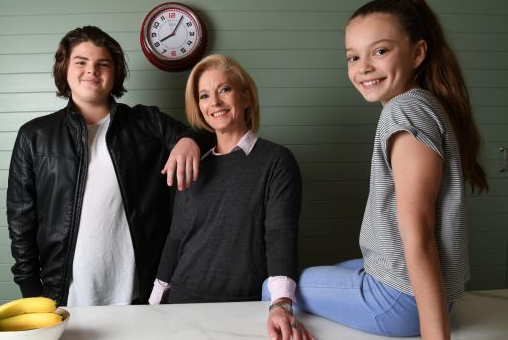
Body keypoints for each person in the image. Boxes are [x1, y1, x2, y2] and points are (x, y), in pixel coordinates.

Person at [293, 0, 489, 339]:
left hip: (401, 302)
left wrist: (434, 334)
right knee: (323, 273)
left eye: (379, 51)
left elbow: (419, 234)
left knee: (277, 288)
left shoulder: (404, 112)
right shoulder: (422, 102)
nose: (364, 67)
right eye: (353, 57)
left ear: (417, 53)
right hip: (412, 293)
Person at [6, 26, 210, 307]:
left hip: (141, 295)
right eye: (81, 62)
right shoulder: (34, 136)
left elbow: (213, 135)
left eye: (103, 63)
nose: (92, 70)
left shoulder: (147, 123)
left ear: (115, 74)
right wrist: (31, 291)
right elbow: (21, 222)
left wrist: (190, 140)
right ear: (65, 68)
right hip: (64, 297)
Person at [149, 54, 313, 340]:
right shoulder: (193, 162)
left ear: (246, 97)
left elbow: (280, 235)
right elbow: (176, 238)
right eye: (204, 95)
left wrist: (281, 304)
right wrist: (153, 303)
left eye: (224, 89)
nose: (214, 102)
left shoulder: (275, 161)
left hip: (245, 308)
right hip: (181, 306)